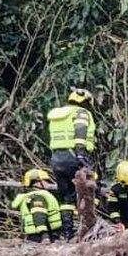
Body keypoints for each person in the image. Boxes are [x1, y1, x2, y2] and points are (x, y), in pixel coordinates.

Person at [46, 88, 96, 239]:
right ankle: (87, 229)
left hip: (57, 158)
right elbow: (80, 132)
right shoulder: (81, 113)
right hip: (74, 156)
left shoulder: (57, 115)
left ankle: (67, 232)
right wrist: (81, 155)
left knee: (66, 197)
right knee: (88, 190)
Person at [11, 168, 62, 242]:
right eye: (44, 181)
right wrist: (45, 236)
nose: (47, 183)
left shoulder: (33, 195)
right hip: (40, 235)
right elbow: (39, 216)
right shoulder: (37, 197)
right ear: (36, 183)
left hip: (39, 233)